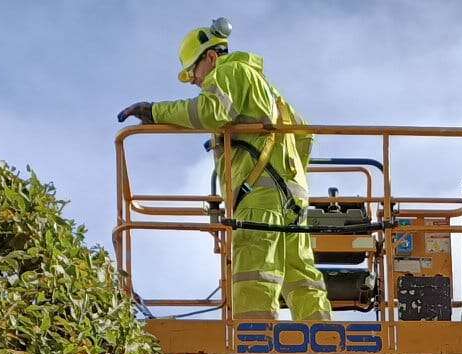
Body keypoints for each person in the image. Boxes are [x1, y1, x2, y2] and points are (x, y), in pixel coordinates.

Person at [118, 18, 331, 322]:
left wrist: (154, 111)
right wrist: (290, 176)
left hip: (259, 198)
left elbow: (209, 111)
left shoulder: (228, 71)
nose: (194, 80)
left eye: (194, 71)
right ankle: (324, 336)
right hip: (293, 197)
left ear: (211, 57)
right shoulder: (268, 89)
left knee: (255, 273)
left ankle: (255, 345)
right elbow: (305, 135)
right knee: (301, 273)